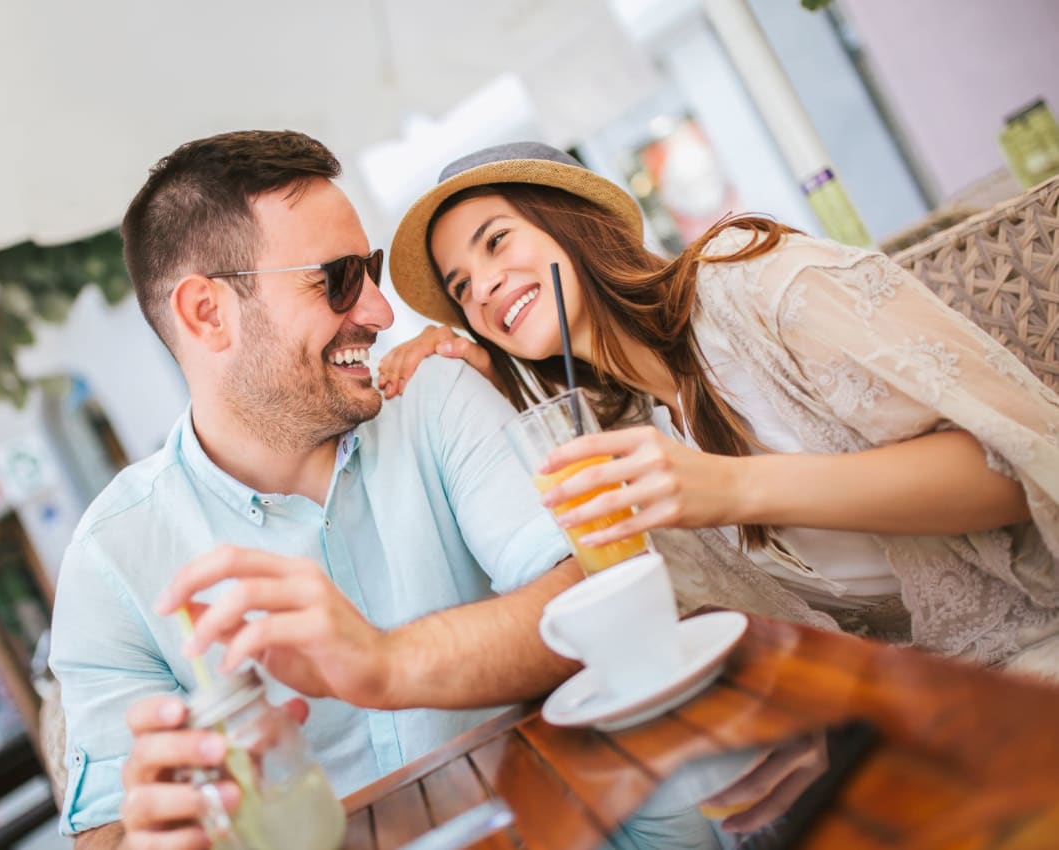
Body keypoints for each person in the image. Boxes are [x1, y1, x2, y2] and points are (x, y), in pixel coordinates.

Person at [48, 130, 582, 849]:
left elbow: (580, 599)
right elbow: (107, 834)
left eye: (372, 269)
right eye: (336, 278)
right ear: (208, 313)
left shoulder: (434, 397)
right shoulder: (111, 561)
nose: (381, 312)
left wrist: (385, 662)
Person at [384, 141, 1059, 674]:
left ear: (572, 223)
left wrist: (732, 489)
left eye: (496, 241)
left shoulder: (749, 286)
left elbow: (1013, 469)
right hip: (917, 699)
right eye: (461, 287)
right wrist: (482, 384)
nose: (484, 287)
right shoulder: (625, 434)